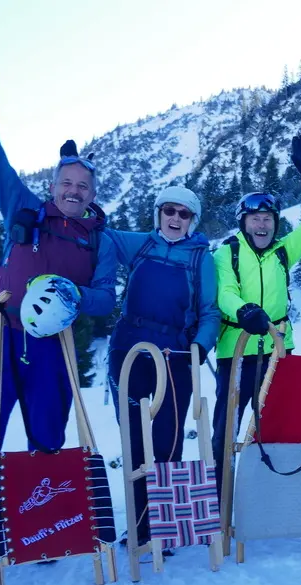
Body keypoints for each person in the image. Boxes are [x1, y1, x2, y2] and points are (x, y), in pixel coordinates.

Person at [0, 57, 117, 579]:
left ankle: (42, 529)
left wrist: (72, 295)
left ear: (92, 194)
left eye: (83, 186)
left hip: (52, 346)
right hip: (0, 333)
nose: (74, 191)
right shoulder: (24, 209)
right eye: (67, 182)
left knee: (47, 437)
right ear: (54, 184)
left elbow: (105, 299)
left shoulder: (99, 239)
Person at [210, 135, 301, 500]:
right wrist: (243, 310)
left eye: (268, 219)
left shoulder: (282, 252)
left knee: (277, 422)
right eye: (255, 219)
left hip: (279, 349)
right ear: (243, 222)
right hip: (236, 350)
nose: (262, 225)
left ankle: (270, 493)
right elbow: (225, 291)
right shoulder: (227, 252)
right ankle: (220, 494)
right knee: (226, 427)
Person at [105, 187, 218, 555]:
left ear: (192, 221)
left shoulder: (201, 257)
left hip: (175, 354)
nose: (175, 218)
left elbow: (210, 310)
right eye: (169, 210)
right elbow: (100, 233)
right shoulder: (140, 244)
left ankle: (163, 525)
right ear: (158, 213)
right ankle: (140, 525)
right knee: (135, 438)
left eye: (184, 214)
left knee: (168, 437)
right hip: (128, 349)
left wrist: (200, 346)